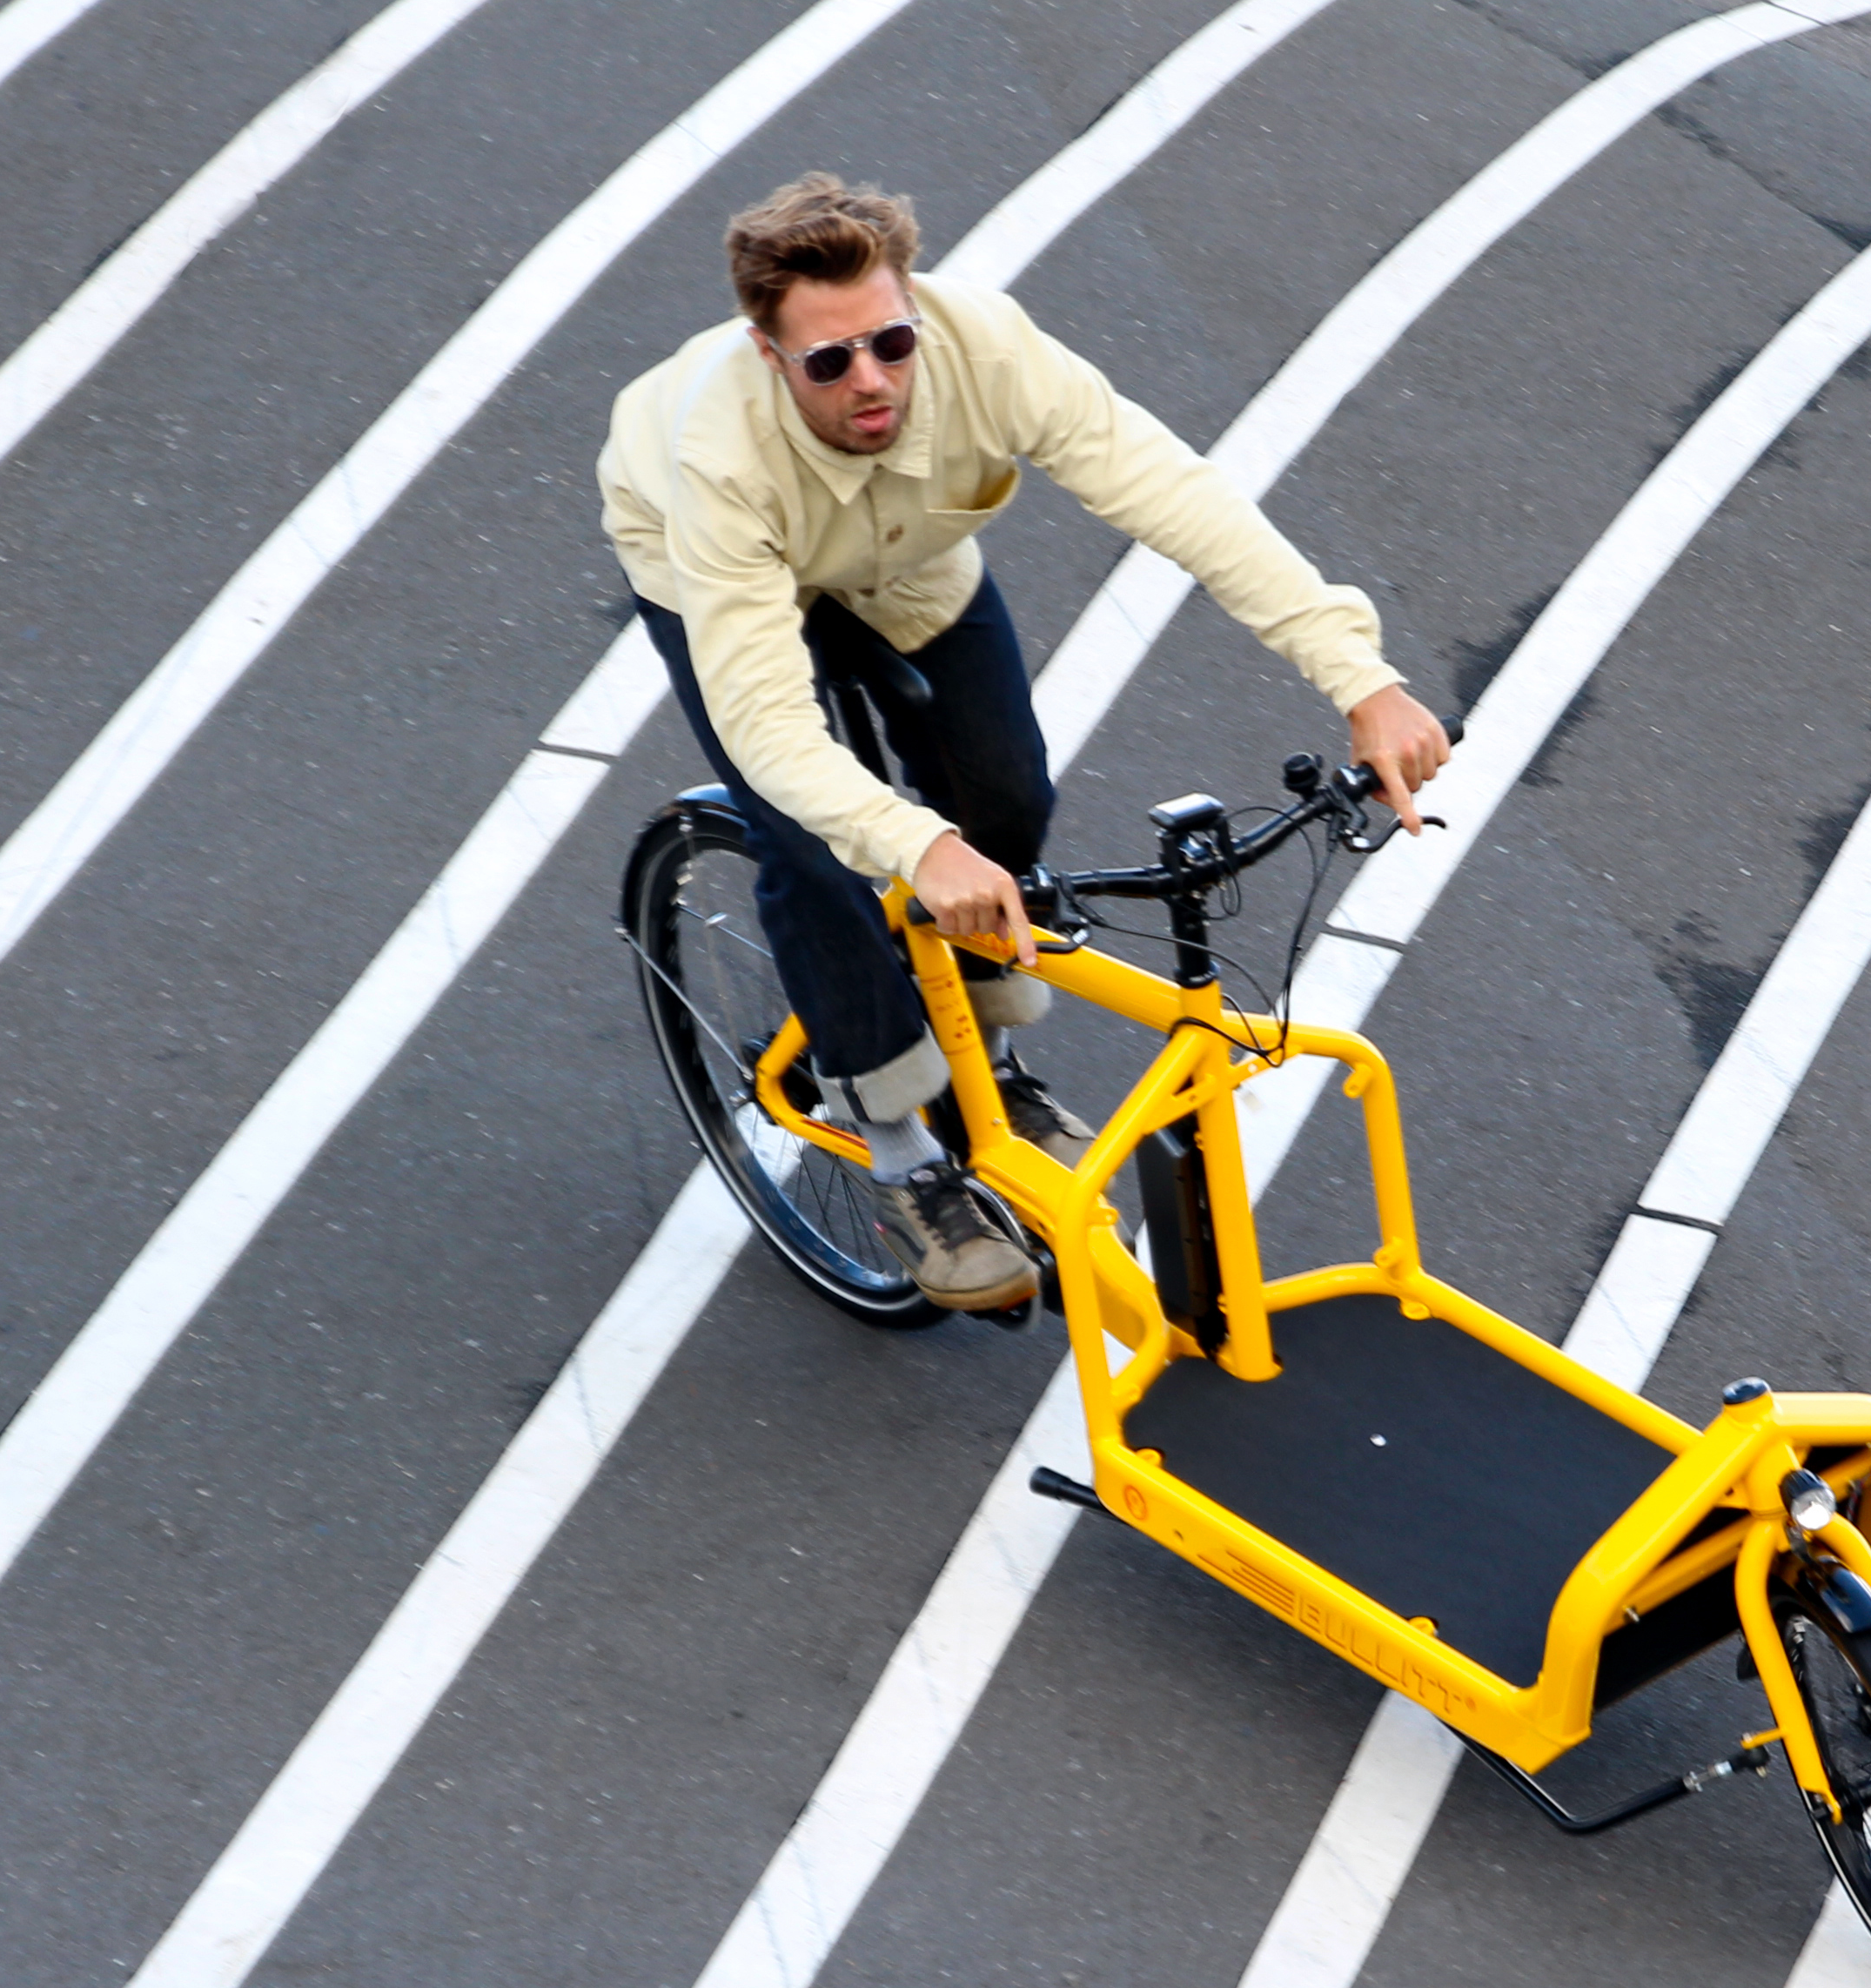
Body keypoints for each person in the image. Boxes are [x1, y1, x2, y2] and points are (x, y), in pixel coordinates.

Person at [603, 174, 1451, 1313]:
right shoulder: (718, 458)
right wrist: (912, 845)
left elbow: (1178, 497)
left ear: (917, 313)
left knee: (1003, 799)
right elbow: (766, 725)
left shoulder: (984, 350)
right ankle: (901, 1149)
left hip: (904, 560)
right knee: (817, 843)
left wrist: (1365, 679)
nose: (872, 380)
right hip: (718, 571)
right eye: (830, 362)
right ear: (768, 353)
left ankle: (981, 1066)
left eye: (891, 343)